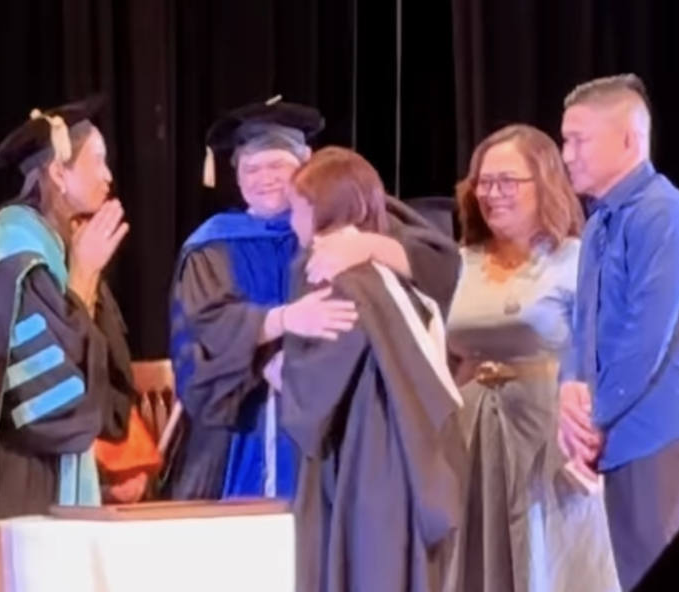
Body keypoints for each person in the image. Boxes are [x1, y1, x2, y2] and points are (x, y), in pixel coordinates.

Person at [166, 98, 462, 501]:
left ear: (306, 164)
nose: (264, 178)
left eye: (277, 165)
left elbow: (439, 264)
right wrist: (280, 326)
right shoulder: (212, 244)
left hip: (340, 411)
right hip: (244, 420)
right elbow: (202, 330)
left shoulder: (347, 214)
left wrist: (369, 245)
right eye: (251, 168)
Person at [276, 146, 466, 592]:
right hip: (410, 452)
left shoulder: (334, 275)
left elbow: (314, 385)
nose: (292, 221)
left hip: (369, 455)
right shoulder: (385, 270)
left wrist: (274, 366)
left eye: (298, 208)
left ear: (326, 208)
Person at [443, 125, 621, 592]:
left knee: (563, 586)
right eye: (482, 182)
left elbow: (613, 354)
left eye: (506, 181)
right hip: (474, 440)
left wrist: (599, 435)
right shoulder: (462, 261)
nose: (491, 193)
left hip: (552, 437)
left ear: (543, 182)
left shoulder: (578, 259)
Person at [0, 97, 149, 592]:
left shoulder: (56, 249)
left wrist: (84, 280)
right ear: (57, 171)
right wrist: (81, 281)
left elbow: (110, 402)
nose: (109, 176)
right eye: (96, 161)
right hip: (18, 483)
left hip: (42, 477)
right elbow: (55, 414)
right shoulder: (15, 257)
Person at [559, 74, 679, 592]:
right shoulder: (598, 224)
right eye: (565, 140)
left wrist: (592, 417)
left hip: (671, 436)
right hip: (625, 438)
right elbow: (583, 324)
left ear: (629, 140)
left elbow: (646, 335)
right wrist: (570, 389)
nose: (566, 156)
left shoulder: (667, 213)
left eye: (579, 141)